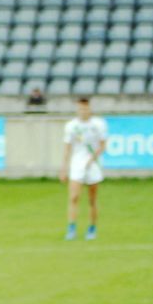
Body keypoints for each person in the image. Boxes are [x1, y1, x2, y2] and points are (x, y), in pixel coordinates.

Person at [60, 97, 108, 241]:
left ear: (90, 109)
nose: (83, 111)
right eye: (80, 108)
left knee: (92, 199)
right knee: (74, 197)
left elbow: (103, 145)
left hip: (93, 164)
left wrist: (92, 159)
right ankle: (71, 228)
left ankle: (92, 228)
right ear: (77, 109)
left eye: (85, 108)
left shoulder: (98, 124)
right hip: (77, 164)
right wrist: (64, 168)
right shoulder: (71, 126)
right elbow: (67, 148)